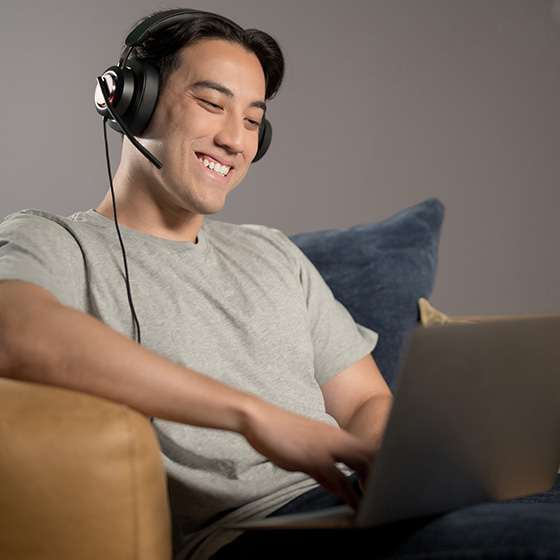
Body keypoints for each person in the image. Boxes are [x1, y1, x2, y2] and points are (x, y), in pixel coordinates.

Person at [1, 8, 559, 560]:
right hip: (254, 530)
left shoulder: (272, 252)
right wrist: (256, 417)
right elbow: (14, 328)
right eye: (212, 104)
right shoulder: (52, 241)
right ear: (130, 101)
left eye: (251, 121)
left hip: (355, 506)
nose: (234, 140)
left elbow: (365, 399)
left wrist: (402, 473)